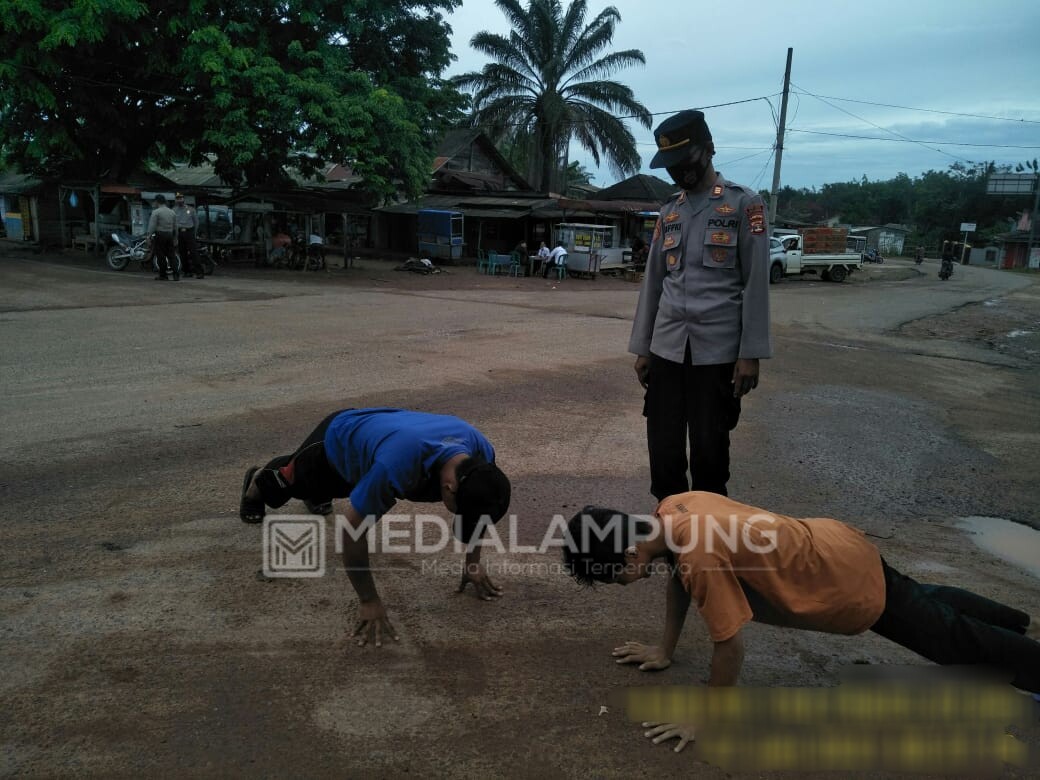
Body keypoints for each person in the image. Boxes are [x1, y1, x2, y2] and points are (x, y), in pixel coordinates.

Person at [563, 492, 1040, 751]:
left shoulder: (697, 557)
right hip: (832, 543)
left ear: (627, 552)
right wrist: (664, 650)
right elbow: (677, 584)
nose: (621, 585)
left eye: (613, 579)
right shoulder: (672, 509)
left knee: (952, 642)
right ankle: (1014, 621)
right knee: (918, 598)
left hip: (842, 582)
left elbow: (729, 644)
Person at [240, 407, 512, 645]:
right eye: (461, 513)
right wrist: (369, 600)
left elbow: (481, 507)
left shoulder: (481, 453)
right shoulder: (398, 466)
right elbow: (351, 531)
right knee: (291, 482)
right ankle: (258, 483)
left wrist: (473, 562)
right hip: (338, 438)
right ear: (449, 487)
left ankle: (318, 492)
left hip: (380, 439)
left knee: (342, 487)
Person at [629, 110, 771, 499]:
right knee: (663, 452)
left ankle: (708, 547)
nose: (679, 173)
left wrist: (751, 353)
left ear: (709, 151)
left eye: (686, 161)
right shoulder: (669, 211)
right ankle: (672, 538)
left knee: (710, 453)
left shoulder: (746, 206)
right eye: (672, 166)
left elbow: (756, 282)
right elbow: (653, 282)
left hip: (717, 353)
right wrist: (643, 347)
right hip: (667, 349)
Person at [146, 194, 178, 280]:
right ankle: (176, 275)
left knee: (161, 256)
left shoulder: (156, 212)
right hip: (170, 235)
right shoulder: (172, 212)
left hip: (160, 235)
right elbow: (175, 227)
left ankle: (163, 275)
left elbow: (152, 226)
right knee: (172, 255)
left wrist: (148, 236)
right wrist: (175, 238)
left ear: (157, 202)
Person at [173, 193, 203, 278]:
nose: (179, 200)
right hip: (179, 233)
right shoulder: (174, 210)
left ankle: (199, 272)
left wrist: (194, 233)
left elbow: (196, 222)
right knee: (182, 253)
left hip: (189, 232)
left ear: (184, 199)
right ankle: (187, 272)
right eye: (177, 198)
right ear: (175, 200)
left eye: (181, 198)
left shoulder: (191, 209)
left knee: (194, 253)